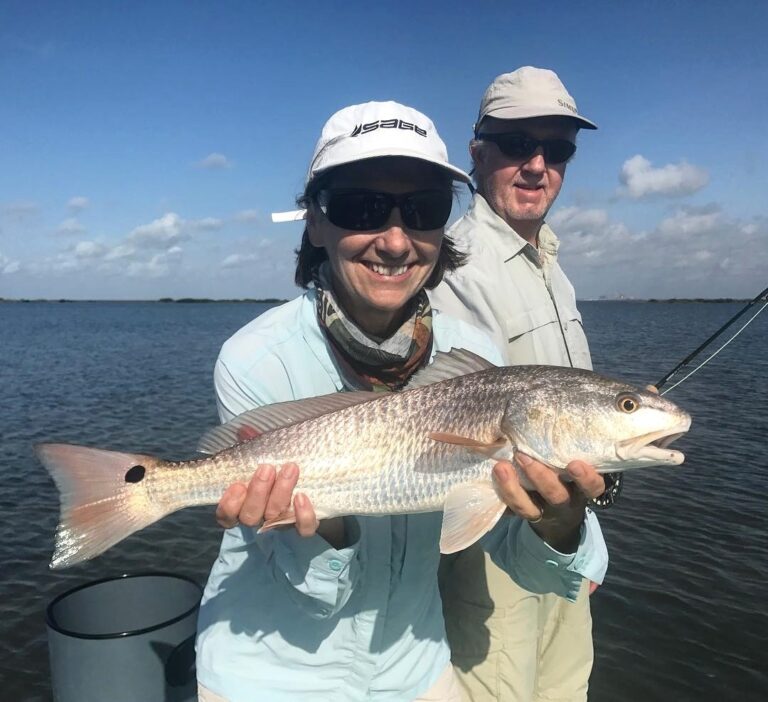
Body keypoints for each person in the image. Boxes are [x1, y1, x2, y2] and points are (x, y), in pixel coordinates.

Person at [195, 100, 608, 702]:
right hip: (267, 671)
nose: (395, 241)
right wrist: (322, 528)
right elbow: (305, 586)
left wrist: (560, 524)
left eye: (423, 210)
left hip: (417, 665)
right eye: (362, 208)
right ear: (314, 221)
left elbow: (511, 558)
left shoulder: (471, 351)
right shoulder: (257, 358)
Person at [431, 67, 611, 702]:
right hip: (492, 554)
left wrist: (582, 547)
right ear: (478, 154)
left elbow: (573, 426)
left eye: (557, 148)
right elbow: (447, 427)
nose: (537, 164)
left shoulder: (549, 262)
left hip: (560, 534)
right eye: (516, 144)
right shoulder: (453, 265)